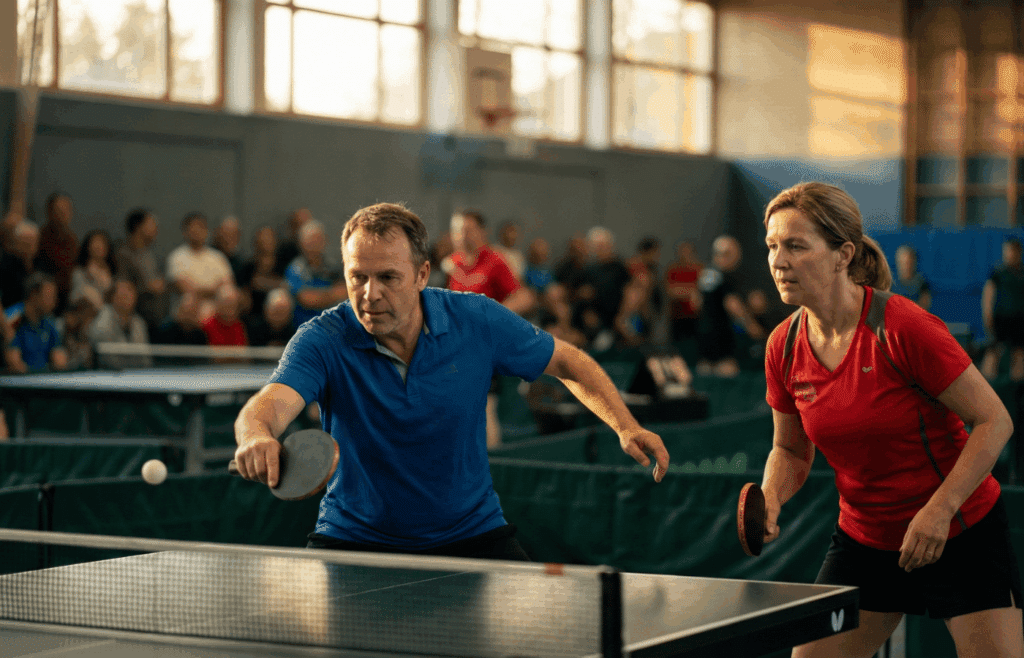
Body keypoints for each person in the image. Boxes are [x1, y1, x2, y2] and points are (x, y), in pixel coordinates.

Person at [232, 203, 670, 560]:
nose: (370, 293)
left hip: (472, 535)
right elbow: (271, 403)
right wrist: (255, 435)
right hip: (354, 539)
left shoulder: (475, 319)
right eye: (356, 278)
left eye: (387, 277)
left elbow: (570, 362)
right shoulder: (323, 338)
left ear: (422, 274)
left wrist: (626, 425)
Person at [760, 182, 1021, 658]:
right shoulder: (784, 345)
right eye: (773, 246)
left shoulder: (902, 327)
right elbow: (790, 449)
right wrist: (771, 499)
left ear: (843, 254)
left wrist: (940, 510)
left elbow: (994, 421)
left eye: (796, 246)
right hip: (866, 538)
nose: (779, 260)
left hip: (959, 529)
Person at [446, 209, 535, 448]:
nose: (461, 236)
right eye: (457, 230)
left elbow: (523, 297)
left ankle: (492, 469)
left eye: (467, 230)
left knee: (484, 409)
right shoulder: (451, 264)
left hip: (482, 349)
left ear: (481, 232)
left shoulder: (494, 261)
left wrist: (490, 316)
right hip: (452, 347)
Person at [695, 235, 764, 377]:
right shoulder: (724, 276)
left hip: (703, 338)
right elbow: (733, 306)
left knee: (706, 378)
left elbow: (695, 302)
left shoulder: (706, 274)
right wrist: (753, 327)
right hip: (721, 340)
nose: (738, 259)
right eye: (736, 254)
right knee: (726, 378)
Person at [166, 212, 234, 321]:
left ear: (207, 231)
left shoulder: (217, 257)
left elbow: (227, 285)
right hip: (190, 313)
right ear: (185, 231)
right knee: (188, 300)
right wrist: (213, 290)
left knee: (230, 295)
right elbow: (185, 289)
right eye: (193, 227)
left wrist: (201, 290)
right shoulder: (177, 257)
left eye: (201, 227)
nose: (197, 231)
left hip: (218, 311)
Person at [284, 220, 347, 328]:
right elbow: (308, 299)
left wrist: (321, 295)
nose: (315, 244)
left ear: (325, 241)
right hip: (304, 327)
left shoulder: (333, 265)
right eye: (310, 240)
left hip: (332, 326)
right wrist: (333, 294)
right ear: (301, 243)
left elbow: (346, 292)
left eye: (318, 239)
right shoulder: (296, 268)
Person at [115, 208, 168, 334]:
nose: (156, 229)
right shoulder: (123, 254)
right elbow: (122, 284)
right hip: (135, 318)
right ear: (138, 227)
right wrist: (147, 287)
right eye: (151, 224)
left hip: (157, 318)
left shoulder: (150, 254)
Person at [4, 273, 68, 373]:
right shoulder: (11, 320)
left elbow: (60, 359)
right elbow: (14, 363)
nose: (54, 302)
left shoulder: (49, 321)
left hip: (43, 381)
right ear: (34, 295)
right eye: (49, 297)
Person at [981, 237, 1024, 382]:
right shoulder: (998, 273)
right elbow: (988, 295)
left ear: (1018, 252)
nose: (1008, 254)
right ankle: (986, 388)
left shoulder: (1022, 273)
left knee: (1019, 354)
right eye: (1006, 251)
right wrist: (988, 317)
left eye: (1011, 251)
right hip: (1000, 320)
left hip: (1019, 321)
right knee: (993, 352)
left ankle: (1016, 393)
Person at [88, 279, 151, 370]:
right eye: (123, 294)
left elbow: (145, 360)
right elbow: (109, 361)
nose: (128, 296)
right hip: (107, 376)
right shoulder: (102, 323)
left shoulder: (138, 323)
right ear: (113, 297)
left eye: (130, 291)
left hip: (135, 377)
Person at [37, 192, 78, 311]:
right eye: (59, 210)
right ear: (50, 213)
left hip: (68, 297)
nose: (64, 214)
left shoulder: (72, 239)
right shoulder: (42, 238)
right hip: (47, 296)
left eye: (67, 210)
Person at [237, 226, 284, 319]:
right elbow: (244, 297)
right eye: (262, 238)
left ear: (276, 241)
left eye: (269, 237)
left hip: (280, 316)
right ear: (255, 243)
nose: (265, 241)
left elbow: (288, 287)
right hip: (253, 315)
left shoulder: (283, 265)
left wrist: (262, 283)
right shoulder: (248, 267)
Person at [0, 220, 44, 310]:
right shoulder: (6, 265)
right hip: (12, 311)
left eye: (33, 243)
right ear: (16, 244)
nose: (31, 248)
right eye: (26, 244)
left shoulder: (41, 262)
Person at [665, 241, 703, 345]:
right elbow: (670, 291)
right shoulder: (673, 269)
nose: (683, 253)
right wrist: (690, 291)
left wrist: (682, 289)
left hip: (696, 316)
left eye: (686, 251)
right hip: (677, 315)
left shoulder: (700, 269)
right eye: (681, 251)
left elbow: (701, 291)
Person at [70, 229, 116, 312]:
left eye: (101, 243)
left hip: (107, 312)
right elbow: (77, 296)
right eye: (94, 242)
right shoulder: (79, 271)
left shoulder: (113, 273)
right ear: (87, 246)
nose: (98, 246)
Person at [891, 244, 932, 311]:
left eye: (909, 262)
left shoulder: (922, 282)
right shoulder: (891, 282)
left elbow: (925, 305)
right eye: (903, 262)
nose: (906, 266)